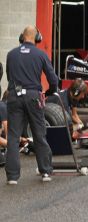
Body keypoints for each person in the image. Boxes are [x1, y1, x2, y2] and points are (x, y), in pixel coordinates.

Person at [5, 25, 58, 185]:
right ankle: (46, 172)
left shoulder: (11, 54)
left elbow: (9, 77)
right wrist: (49, 92)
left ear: (22, 37)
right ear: (37, 38)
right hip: (34, 96)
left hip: (14, 96)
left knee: (13, 137)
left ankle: (12, 177)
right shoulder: (40, 54)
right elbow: (53, 80)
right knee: (39, 134)